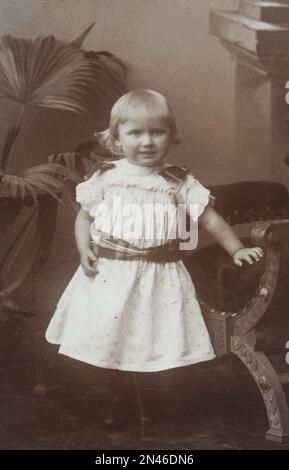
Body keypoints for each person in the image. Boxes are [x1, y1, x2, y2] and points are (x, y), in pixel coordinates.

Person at [45, 89, 263, 427]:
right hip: (111, 274)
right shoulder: (106, 177)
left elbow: (209, 219)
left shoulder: (178, 181)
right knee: (111, 338)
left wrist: (237, 249)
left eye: (157, 132)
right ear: (116, 138)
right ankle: (120, 401)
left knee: (156, 338)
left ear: (171, 136)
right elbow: (85, 217)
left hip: (159, 275)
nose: (147, 142)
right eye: (135, 133)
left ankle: (157, 405)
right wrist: (83, 247)